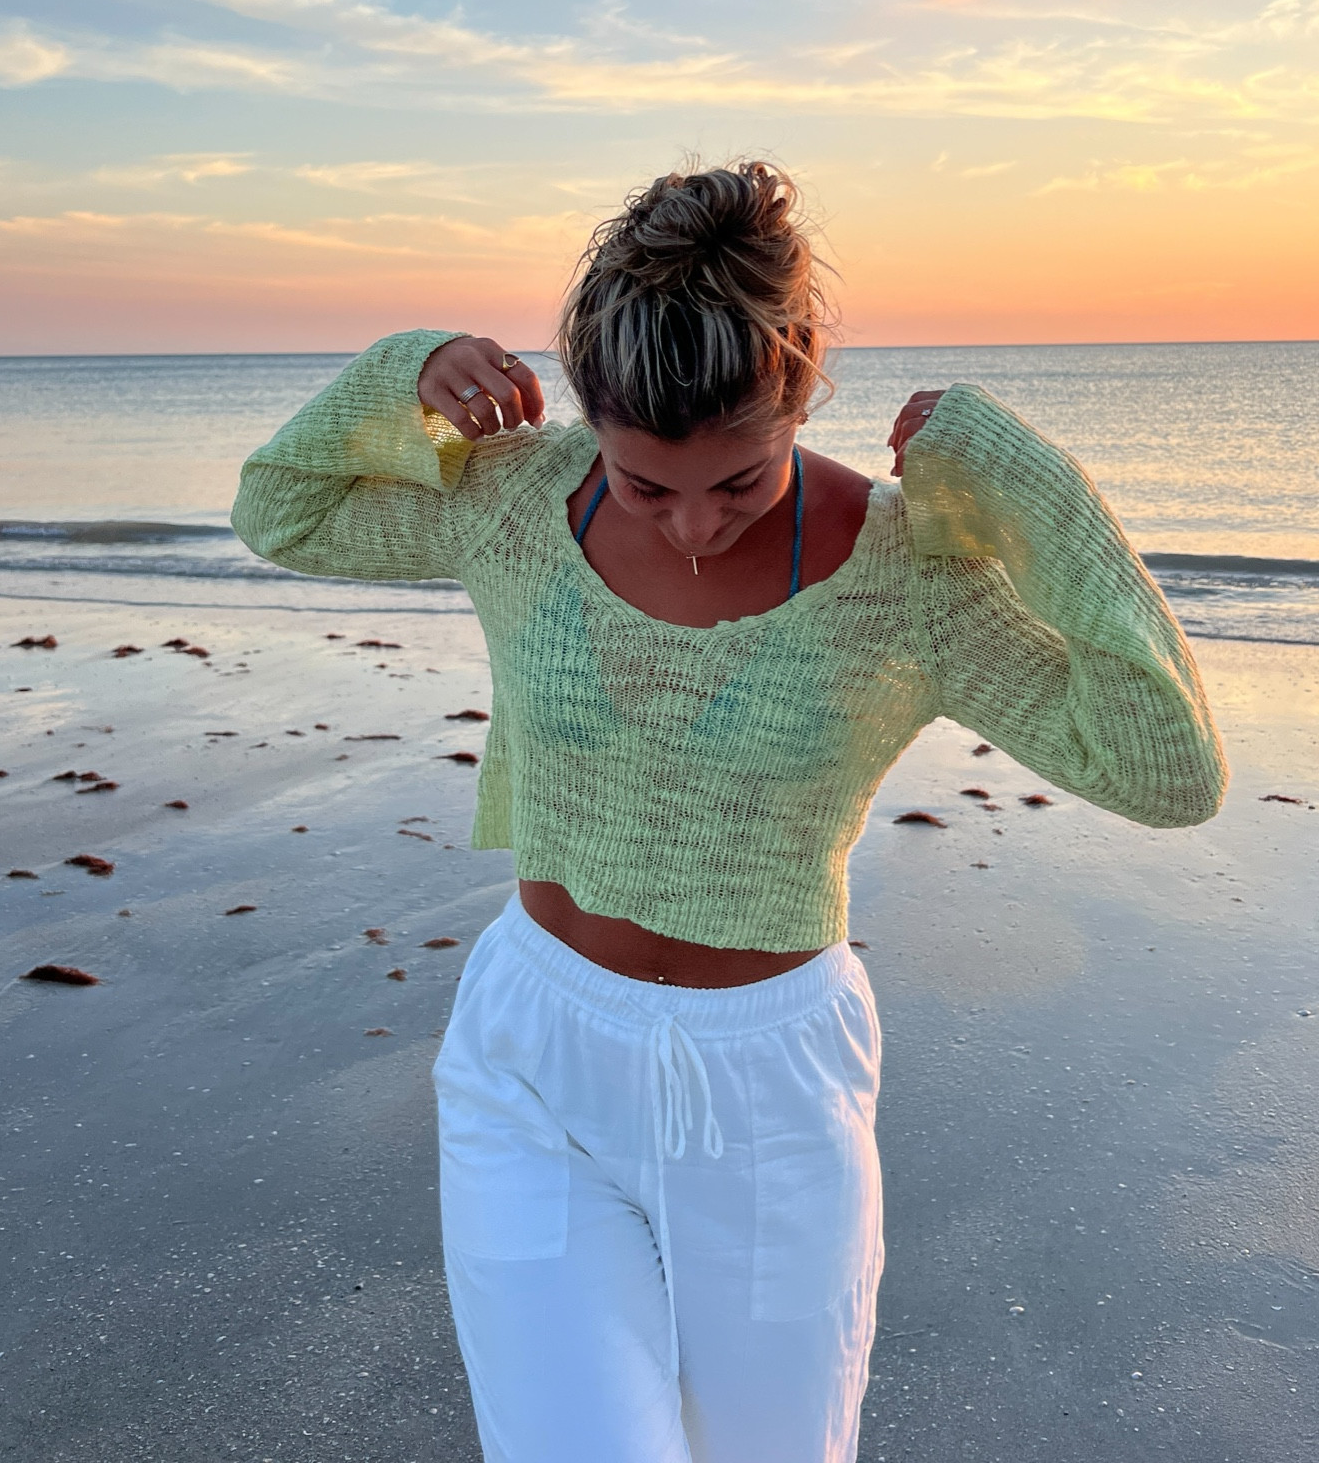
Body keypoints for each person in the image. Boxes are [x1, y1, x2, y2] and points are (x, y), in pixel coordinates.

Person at [232, 160, 1227, 1463]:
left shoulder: (903, 574)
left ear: (801, 386)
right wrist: (400, 378)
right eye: (648, 486)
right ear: (588, 416)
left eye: (738, 482)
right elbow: (281, 512)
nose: (693, 527)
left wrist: (1033, 492)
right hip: (531, 1059)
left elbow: (1167, 773)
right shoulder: (514, 500)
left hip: (765, 1090)